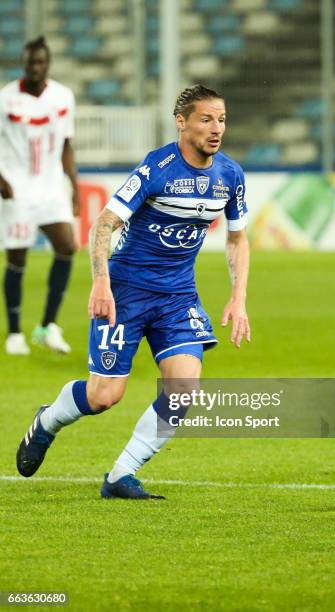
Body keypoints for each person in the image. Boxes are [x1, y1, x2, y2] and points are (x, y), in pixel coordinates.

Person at [16, 84, 250, 499]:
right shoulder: (157, 167)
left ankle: (120, 476)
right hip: (126, 290)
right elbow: (104, 223)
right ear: (181, 122)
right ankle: (49, 420)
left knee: (183, 392)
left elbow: (237, 238)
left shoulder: (229, 175)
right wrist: (102, 283)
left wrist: (238, 297)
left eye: (223, 119)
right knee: (104, 395)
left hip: (178, 297)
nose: (217, 129)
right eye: (206, 119)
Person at [0, 36, 79, 355]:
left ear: (48, 63)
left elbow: (66, 145)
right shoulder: (6, 98)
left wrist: (73, 184)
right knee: (17, 257)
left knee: (67, 246)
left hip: (50, 186)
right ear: (24, 63)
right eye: (31, 62)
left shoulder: (62, 97)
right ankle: (15, 333)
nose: (36, 67)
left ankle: (47, 326)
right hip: (16, 187)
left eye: (41, 62)